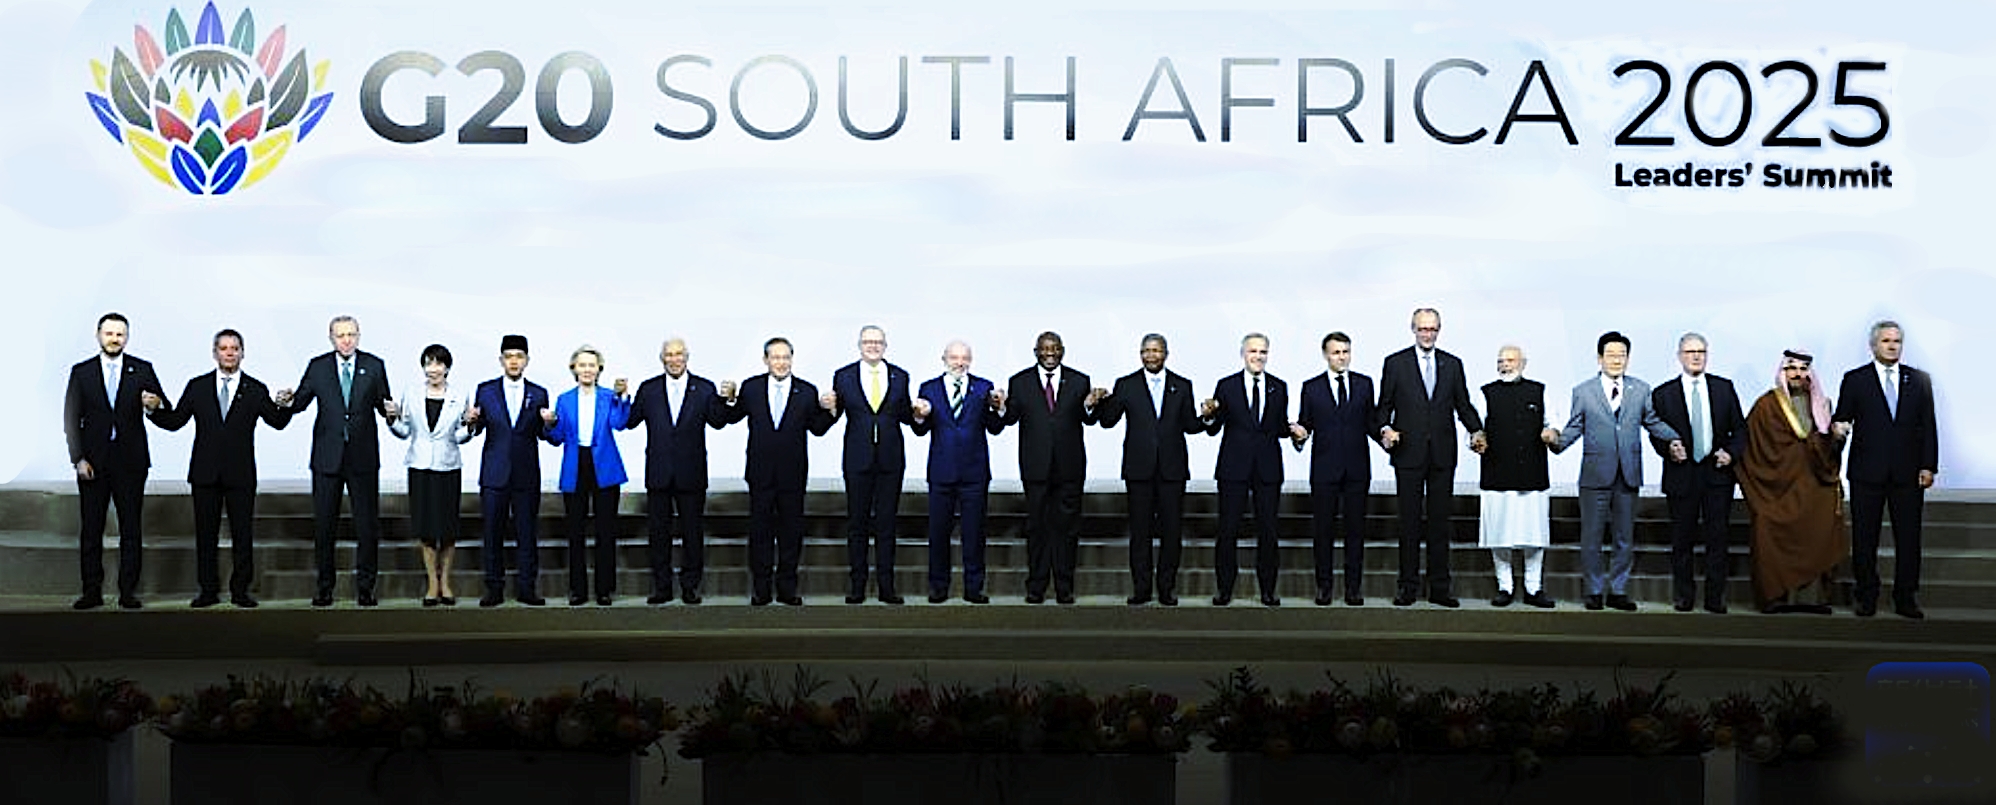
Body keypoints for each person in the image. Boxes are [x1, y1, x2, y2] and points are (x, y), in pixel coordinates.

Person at [150, 328, 292, 608]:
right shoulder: (197, 386)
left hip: (241, 475)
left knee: (242, 535)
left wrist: (286, 405)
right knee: (206, 536)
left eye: (234, 348)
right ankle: (208, 590)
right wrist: (153, 410)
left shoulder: (255, 389)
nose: (229, 353)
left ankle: (241, 591)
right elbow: (175, 421)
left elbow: (277, 422)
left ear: (242, 353)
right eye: (224, 348)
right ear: (214, 353)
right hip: (205, 473)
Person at [1547, 332, 1682, 612]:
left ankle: (1618, 590)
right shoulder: (1583, 391)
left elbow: (1652, 421)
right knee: (1592, 537)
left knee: (1624, 537)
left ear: (1628, 358)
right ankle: (1594, 590)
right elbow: (1575, 426)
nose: (1617, 360)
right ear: (1600, 358)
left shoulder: (1641, 389)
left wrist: (1675, 438)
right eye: (1611, 355)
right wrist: (1555, 442)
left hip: (1628, 474)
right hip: (1595, 475)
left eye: (1622, 355)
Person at [277, 315, 393, 607]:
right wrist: (286, 401)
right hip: (327, 458)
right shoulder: (318, 366)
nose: (346, 340)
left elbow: (384, 405)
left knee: (367, 527)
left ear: (359, 336)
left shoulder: (374, 365)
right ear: (331, 338)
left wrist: (392, 411)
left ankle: (365, 588)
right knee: (325, 526)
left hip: (363, 457)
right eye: (340, 335)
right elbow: (300, 402)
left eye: (351, 334)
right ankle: (324, 587)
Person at [1375, 307, 1484, 608]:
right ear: (1413, 329)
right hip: (1407, 454)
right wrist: (1385, 429)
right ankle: (1407, 587)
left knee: (1440, 524)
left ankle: (1440, 588)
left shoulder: (1453, 364)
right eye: (1423, 329)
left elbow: (1463, 405)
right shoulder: (1395, 363)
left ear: (1439, 330)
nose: (1428, 334)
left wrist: (1477, 430)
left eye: (1433, 329)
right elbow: (1383, 407)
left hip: (1442, 456)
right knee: (1408, 524)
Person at [717, 337, 836, 605]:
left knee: (791, 533)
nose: (781, 362)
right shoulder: (751, 388)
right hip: (760, 473)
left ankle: (787, 589)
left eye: (786, 357)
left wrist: (831, 412)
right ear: (765, 360)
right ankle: (761, 589)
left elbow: (817, 428)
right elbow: (731, 418)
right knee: (760, 533)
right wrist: (729, 399)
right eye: (776, 357)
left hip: (792, 475)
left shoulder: (806, 391)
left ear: (792, 359)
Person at [63, 313, 170, 610]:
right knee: (91, 529)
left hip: (131, 463)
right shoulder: (82, 372)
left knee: (131, 529)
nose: (114, 339)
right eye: (109, 333)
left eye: (120, 334)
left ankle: (128, 591)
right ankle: (91, 591)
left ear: (127, 337)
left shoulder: (142, 369)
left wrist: (155, 406)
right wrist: (78, 459)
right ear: (98, 335)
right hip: (92, 463)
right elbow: (71, 419)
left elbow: (164, 410)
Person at [1833, 321, 1938, 619]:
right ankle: (1866, 596)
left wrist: (1929, 465)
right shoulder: (1855, 379)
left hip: (1908, 474)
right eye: (1886, 341)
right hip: (1867, 473)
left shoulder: (1919, 380)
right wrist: (1838, 430)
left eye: (1897, 341)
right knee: (1864, 538)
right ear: (1873, 345)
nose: (1892, 346)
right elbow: (1843, 417)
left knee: (1909, 538)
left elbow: (1928, 425)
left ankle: (1906, 597)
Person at [1095, 334, 1205, 606]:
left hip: (1172, 470)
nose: (1151, 355)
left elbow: (1190, 425)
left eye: (1156, 350)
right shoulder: (1126, 384)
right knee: (1140, 532)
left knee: (1172, 532)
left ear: (1166, 354)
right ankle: (1141, 589)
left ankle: (1167, 588)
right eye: (1146, 351)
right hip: (1139, 470)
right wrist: (1100, 402)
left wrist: (1208, 416)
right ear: (1140, 354)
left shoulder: (1182, 385)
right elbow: (1108, 421)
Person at [1738, 350, 1848, 614]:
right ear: (1783, 372)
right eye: (1792, 368)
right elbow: (1752, 446)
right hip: (1778, 487)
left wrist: (1836, 438)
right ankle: (1776, 597)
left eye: (1803, 369)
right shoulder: (1766, 405)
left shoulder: (1823, 404)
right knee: (1768, 527)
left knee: (1818, 533)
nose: (1797, 374)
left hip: (1815, 484)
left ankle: (1813, 600)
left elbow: (1828, 449)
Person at [997, 331, 1103, 604]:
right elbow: (1010, 419)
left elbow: (1089, 420)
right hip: (1036, 468)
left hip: (1069, 468)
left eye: (1055, 348)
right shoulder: (1020, 382)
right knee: (1037, 528)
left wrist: (1089, 406)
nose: (1050, 353)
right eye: (1044, 348)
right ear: (1036, 352)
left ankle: (1064, 587)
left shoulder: (1079, 381)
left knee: (1067, 529)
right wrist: (1000, 407)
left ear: (1062, 351)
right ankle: (1036, 587)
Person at [621, 337, 728, 605]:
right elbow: (630, 421)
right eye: (669, 354)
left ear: (687, 357)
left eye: (679, 354)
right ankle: (662, 587)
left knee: (692, 533)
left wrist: (725, 400)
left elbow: (718, 422)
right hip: (659, 473)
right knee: (658, 534)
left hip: (691, 473)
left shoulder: (704, 388)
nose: (674, 359)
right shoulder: (649, 389)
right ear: (662, 358)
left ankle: (690, 586)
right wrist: (622, 397)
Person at [1649, 333, 1747, 614]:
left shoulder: (1724, 388)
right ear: (1679, 356)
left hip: (1717, 474)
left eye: (1701, 352)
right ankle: (1684, 596)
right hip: (1681, 474)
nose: (1696, 356)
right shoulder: (1663, 393)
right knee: (1682, 540)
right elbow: (1655, 433)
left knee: (1718, 539)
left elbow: (1740, 429)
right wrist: (1668, 449)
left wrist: (1731, 453)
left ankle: (1715, 597)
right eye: (1690, 351)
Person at [910, 340, 1007, 603]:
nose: (959, 363)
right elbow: (920, 429)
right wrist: (919, 415)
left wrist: (999, 408)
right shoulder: (929, 388)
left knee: (974, 534)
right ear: (944, 359)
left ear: (970, 361)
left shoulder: (984, 387)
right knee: (938, 533)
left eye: (964, 358)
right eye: (954, 358)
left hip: (974, 473)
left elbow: (995, 427)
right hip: (941, 472)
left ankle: (974, 587)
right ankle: (938, 586)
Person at [825, 326, 916, 605]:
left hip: (890, 459)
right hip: (857, 459)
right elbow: (834, 415)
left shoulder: (900, 376)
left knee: (887, 524)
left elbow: (905, 415)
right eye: (868, 341)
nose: (873, 346)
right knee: (857, 524)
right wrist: (827, 408)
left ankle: (887, 587)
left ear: (885, 345)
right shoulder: (843, 376)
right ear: (859, 345)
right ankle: (858, 586)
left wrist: (919, 413)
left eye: (878, 342)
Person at [1202, 333, 1290, 607]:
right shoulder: (1226, 386)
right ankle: (1225, 589)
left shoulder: (1279, 387)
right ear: (1243, 354)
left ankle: (1268, 590)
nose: (1258, 356)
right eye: (1253, 351)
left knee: (1268, 532)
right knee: (1227, 530)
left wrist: (1296, 432)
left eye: (1263, 352)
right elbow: (1214, 428)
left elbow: (1280, 427)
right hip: (1234, 468)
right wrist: (1208, 415)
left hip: (1268, 469)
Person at [1292, 331, 1379, 606]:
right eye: (1336, 352)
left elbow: (1371, 423)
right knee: (1323, 531)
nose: (1342, 357)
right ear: (1325, 355)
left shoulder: (1365, 384)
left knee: (1356, 531)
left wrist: (1386, 435)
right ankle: (1324, 587)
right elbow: (1305, 425)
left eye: (1345, 352)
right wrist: (1299, 436)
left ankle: (1353, 588)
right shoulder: (1311, 388)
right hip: (1324, 469)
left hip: (1357, 469)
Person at [464, 335, 550, 607]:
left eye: (519, 356)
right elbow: (477, 428)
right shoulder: (485, 390)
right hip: (494, 473)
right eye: (509, 356)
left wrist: (550, 423)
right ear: (501, 360)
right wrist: (470, 421)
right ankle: (494, 588)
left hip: (526, 473)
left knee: (527, 533)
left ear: (527, 360)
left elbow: (543, 434)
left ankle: (527, 588)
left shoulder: (539, 393)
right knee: (492, 533)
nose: (514, 361)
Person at [387, 344, 474, 607]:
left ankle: (445, 582)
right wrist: (391, 420)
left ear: (447, 368)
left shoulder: (460, 395)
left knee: (448, 530)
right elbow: (404, 431)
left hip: (448, 467)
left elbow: (459, 436)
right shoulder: (411, 393)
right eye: (429, 363)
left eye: (439, 364)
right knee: (425, 529)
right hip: (420, 467)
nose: (433, 369)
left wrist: (471, 425)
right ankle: (432, 584)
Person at [543, 345, 631, 606]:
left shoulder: (609, 396)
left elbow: (619, 424)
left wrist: (623, 398)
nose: (587, 370)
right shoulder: (564, 399)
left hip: (605, 466)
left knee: (606, 531)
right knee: (575, 532)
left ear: (599, 369)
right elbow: (557, 438)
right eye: (582, 365)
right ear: (574, 369)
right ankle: (578, 590)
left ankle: (604, 589)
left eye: (592, 365)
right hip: (575, 465)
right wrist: (549, 423)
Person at [1476, 345, 1556, 609]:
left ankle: (1534, 588)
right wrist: (1476, 440)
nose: (1505, 365)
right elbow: (1475, 429)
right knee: (1499, 536)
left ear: (1523, 363)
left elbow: (1552, 423)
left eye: (1510, 360)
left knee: (1535, 536)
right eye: (1501, 361)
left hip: (1532, 474)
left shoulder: (1540, 390)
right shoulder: (1486, 393)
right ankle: (1505, 587)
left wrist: (1551, 433)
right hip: (1497, 473)